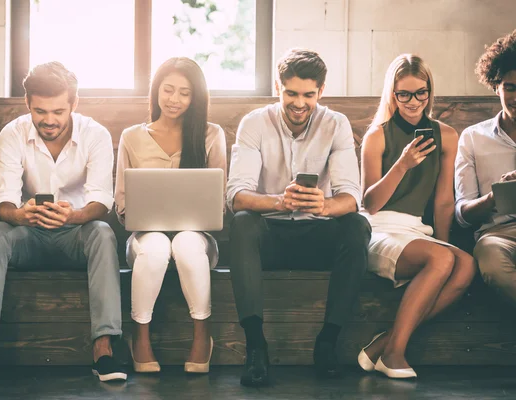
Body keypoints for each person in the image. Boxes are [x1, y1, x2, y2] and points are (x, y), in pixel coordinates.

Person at [0, 62, 126, 383]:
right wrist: (19, 215)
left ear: (74, 105)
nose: (49, 120)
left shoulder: (96, 135)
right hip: (29, 233)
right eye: (40, 111)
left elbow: (101, 202)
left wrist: (73, 216)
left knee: (103, 234)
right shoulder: (13, 133)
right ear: (27, 104)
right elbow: (3, 201)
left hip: (77, 234)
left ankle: (103, 350)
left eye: (58, 111)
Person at [226, 48, 372, 386]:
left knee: (357, 226)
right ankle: (255, 346)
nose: (299, 103)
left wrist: (322, 205)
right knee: (243, 223)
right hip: (269, 235)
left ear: (321, 91)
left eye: (308, 95)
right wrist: (280, 202)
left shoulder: (335, 124)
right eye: (291, 93)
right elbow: (236, 196)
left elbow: (351, 196)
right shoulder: (254, 123)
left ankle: (327, 342)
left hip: (316, 233)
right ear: (278, 87)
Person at [357, 54, 476, 379]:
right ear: (392, 95)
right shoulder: (377, 136)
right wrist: (402, 165)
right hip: (379, 229)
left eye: (420, 92)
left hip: (417, 232)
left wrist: (444, 245)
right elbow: (369, 204)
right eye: (404, 94)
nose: (413, 101)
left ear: (429, 92)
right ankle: (394, 354)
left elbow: (443, 201)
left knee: (464, 265)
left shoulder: (446, 135)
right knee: (441, 260)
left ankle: (387, 341)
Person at [115, 57, 227, 374]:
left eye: (184, 93)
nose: (174, 100)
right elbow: (121, 203)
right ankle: (140, 337)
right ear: (156, 91)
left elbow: (217, 202)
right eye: (168, 90)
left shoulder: (210, 135)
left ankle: (202, 336)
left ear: (195, 98)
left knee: (187, 244)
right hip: (145, 239)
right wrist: (141, 215)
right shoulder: (132, 137)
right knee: (156, 247)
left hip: (198, 239)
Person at [455, 30, 516, 304]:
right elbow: (462, 214)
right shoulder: (472, 137)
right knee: (492, 262)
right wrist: (495, 197)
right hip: (497, 235)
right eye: (510, 87)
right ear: (496, 87)